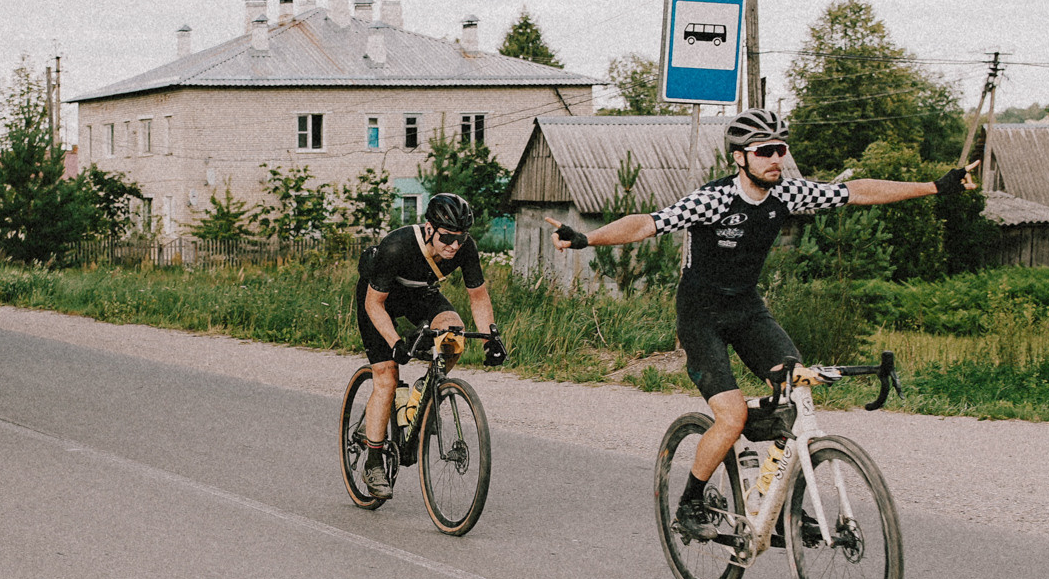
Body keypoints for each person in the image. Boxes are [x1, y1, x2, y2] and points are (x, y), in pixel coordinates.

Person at [547, 110, 973, 538]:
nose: (776, 158)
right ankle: (691, 502)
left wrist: (936, 186)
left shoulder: (786, 194)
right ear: (739, 158)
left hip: (748, 310)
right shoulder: (713, 200)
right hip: (701, 315)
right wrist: (587, 237)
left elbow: (855, 192)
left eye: (781, 150)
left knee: (795, 391)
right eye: (765, 151)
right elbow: (648, 224)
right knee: (730, 417)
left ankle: (783, 507)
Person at [354, 192, 507, 498]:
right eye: (447, 238)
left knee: (454, 333)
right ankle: (372, 461)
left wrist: (491, 335)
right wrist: (395, 342)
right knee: (387, 375)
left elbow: (477, 296)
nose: (454, 246)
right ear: (429, 230)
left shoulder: (464, 249)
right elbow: (374, 304)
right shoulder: (397, 246)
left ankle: (421, 395)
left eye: (460, 239)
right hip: (379, 300)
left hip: (420, 294)